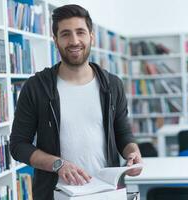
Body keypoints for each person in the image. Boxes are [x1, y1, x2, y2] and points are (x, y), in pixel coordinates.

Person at [10, 4, 142, 200]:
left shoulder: (112, 85)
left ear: (91, 36)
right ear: (55, 40)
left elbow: (122, 133)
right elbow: (18, 145)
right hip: (55, 194)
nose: (74, 41)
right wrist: (58, 164)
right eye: (65, 34)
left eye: (80, 32)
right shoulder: (36, 87)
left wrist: (133, 152)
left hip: (106, 192)